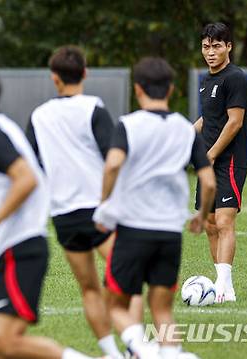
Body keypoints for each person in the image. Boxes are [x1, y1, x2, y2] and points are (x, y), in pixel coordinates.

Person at [0, 62, 97, 359]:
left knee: (3, 341)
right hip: (15, 248)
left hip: (23, 247)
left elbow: (27, 179)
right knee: (0, 340)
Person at [93, 57, 216, 359]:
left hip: (133, 229)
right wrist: (201, 216)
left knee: (117, 305)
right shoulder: (184, 130)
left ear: (137, 89)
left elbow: (112, 166)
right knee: (162, 309)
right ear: (171, 89)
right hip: (169, 233)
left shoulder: (128, 125)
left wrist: (104, 204)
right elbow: (209, 182)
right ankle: (172, 354)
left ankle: (141, 349)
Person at [26, 45, 123, 359]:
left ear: (54, 79)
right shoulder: (94, 107)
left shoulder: (39, 116)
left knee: (89, 289)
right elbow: (114, 158)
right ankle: (136, 346)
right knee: (124, 280)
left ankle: (111, 352)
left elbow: (31, 167)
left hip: (64, 215)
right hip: (99, 209)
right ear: (85, 73)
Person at [193, 22, 247, 303]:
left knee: (225, 221)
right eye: (206, 46)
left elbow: (234, 122)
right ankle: (222, 286)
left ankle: (224, 287)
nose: (210, 52)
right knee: (211, 224)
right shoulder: (206, 80)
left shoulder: (235, 78)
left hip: (228, 161)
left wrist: (212, 153)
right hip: (208, 161)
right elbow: (209, 119)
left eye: (216, 46)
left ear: (228, 47)